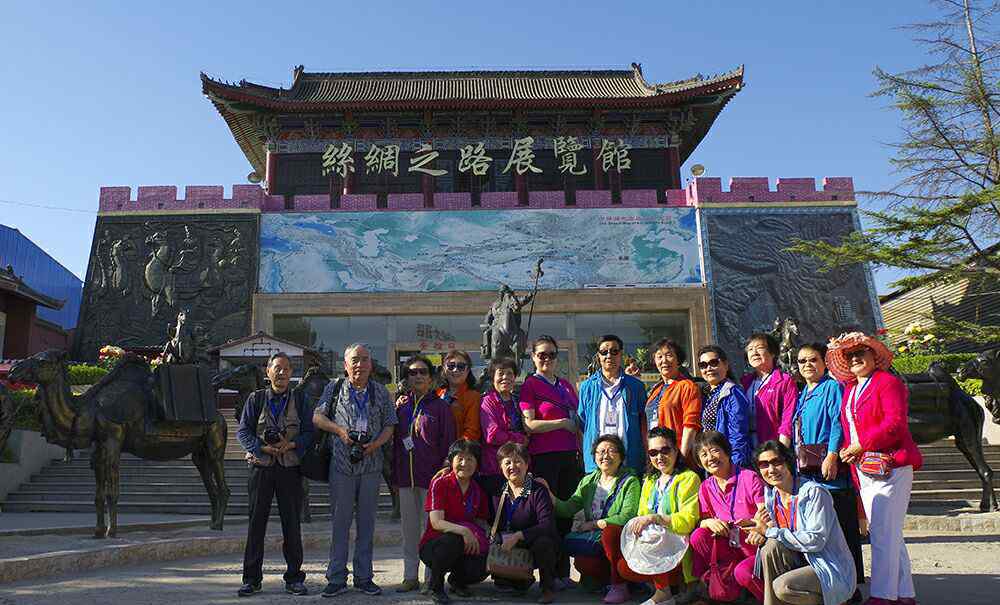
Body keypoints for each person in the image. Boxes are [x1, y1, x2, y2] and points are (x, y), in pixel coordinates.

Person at [827, 332, 923, 605]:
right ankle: (904, 593)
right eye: (850, 355)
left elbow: (895, 424)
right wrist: (849, 449)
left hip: (891, 465)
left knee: (881, 533)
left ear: (874, 356)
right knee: (891, 533)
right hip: (865, 469)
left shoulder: (887, 382)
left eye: (861, 353)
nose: (856, 358)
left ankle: (883, 596)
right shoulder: (849, 390)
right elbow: (850, 429)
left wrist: (861, 445)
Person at [312, 343, 397, 597]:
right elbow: (317, 417)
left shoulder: (381, 392)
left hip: (371, 466)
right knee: (340, 524)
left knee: (367, 524)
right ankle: (336, 577)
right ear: (346, 365)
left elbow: (390, 425)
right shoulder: (334, 388)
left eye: (365, 359)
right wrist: (339, 431)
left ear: (371, 364)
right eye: (355, 360)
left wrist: (375, 445)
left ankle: (364, 577)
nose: (360, 365)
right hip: (341, 465)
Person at [236, 352, 315, 597]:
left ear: (292, 373)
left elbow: (310, 432)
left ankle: (294, 578)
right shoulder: (255, 399)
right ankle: (251, 579)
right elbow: (243, 432)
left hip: (289, 469)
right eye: (277, 368)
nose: (281, 373)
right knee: (255, 524)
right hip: (261, 468)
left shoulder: (300, 399)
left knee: (292, 524)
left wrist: (291, 445)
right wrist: (261, 448)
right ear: (267, 371)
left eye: (286, 369)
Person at [793, 342, 864, 599]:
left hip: (829, 470)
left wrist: (833, 455)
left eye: (813, 360)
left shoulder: (831, 387)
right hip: (809, 471)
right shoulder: (803, 393)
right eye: (802, 361)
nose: (807, 365)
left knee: (843, 532)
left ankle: (852, 586)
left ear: (824, 363)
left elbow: (837, 422)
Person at [748, 440, 857, 605]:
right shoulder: (771, 495)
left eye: (777, 462)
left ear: (789, 462)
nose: (771, 469)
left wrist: (769, 532)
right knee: (769, 547)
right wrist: (759, 533)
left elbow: (816, 541)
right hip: (800, 562)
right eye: (764, 465)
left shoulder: (814, 493)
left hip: (827, 566)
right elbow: (771, 533)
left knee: (783, 586)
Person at [520, 335, 582, 590]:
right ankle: (549, 575)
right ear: (533, 357)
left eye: (551, 354)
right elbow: (529, 424)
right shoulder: (530, 385)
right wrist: (561, 423)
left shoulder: (567, 386)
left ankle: (563, 571)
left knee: (566, 515)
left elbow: (578, 420)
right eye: (541, 354)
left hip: (569, 457)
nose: (546, 359)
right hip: (543, 458)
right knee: (547, 516)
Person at [550, 434, 641, 604]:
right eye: (600, 452)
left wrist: (594, 524)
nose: (605, 456)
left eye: (611, 451)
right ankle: (610, 581)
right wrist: (550, 495)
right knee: (583, 564)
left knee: (610, 532)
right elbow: (568, 508)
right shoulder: (588, 481)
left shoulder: (630, 481)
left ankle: (619, 585)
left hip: (620, 541)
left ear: (621, 456)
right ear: (594, 457)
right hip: (595, 541)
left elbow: (627, 516)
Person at [393, 356, 458, 593]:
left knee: (431, 530)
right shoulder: (400, 407)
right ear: (407, 377)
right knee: (408, 530)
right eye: (412, 372)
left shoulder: (441, 407)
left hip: (432, 479)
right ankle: (410, 576)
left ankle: (432, 577)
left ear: (431, 377)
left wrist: (443, 471)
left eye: (422, 372)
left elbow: (449, 443)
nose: (417, 376)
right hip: (405, 478)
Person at [618, 427, 701, 605]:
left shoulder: (689, 478)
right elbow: (642, 514)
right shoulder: (650, 480)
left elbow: (688, 519)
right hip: (654, 539)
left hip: (678, 540)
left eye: (665, 450)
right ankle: (663, 588)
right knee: (623, 567)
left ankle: (664, 593)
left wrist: (657, 519)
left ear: (676, 450)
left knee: (658, 540)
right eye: (653, 452)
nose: (659, 457)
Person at [685, 430, 764, 603]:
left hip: (752, 545)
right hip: (728, 548)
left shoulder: (749, 477)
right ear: (700, 462)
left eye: (714, 450)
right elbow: (702, 521)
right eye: (703, 454)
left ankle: (766, 597)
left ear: (727, 452)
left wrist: (755, 523)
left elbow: (765, 514)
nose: (710, 457)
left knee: (744, 572)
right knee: (698, 536)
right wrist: (709, 522)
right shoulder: (705, 487)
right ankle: (720, 585)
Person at [419, 439, 491, 604]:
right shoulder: (440, 483)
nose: (465, 463)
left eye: (471, 459)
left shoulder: (477, 490)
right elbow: (437, 523)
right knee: (453, 540)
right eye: (460, 459)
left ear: (477, 463)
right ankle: (436, 587)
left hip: (464, 545)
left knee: (483, 561)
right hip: (435, 544)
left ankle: (458, 581)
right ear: (451, 461)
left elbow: (481, 521)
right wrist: (464, 531)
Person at [492, 442, 560, 604]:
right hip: (507, 545)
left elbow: (547, 525)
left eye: (517, 461)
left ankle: (547, 588)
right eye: (507, 462)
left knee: (545, 543)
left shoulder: (538, 490)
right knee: (513, 587)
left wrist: (518, 536)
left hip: (533, 541)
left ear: (527, 464)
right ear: (500, 467)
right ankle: (515, 579)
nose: (512, 466)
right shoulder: (497, 491)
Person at [578, 334, 648, 476]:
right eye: (604, 352)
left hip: (630, 460)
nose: (609, 355)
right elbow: (582, 423)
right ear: (598, 356)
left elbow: (643, 422)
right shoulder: (586, 387)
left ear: (621, 354)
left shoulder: (636, 386)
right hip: (597, 463)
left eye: (614, 351)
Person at [480, 357, 528, 500]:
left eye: (509, 373)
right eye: (500, 373)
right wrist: (520, 439)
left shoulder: (517, 400)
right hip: (494, 468)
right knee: (498, 515)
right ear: (493, 377)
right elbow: (492, 435)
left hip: (518, 468)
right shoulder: (487, 401)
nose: (505, 377)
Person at [696, 346, 752, 469]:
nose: (709, 368)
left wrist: (734, 466)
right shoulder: (704, 393)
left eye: (714, 363)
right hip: (710, 460)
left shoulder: (732, 392)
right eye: (703, 365)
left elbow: (738, 433)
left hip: (726, 461)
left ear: (726, 365)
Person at [648, 338, 701, 465]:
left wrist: (681, 457)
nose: (664, 361)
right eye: (659, 357)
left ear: (678, 360)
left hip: (677, 457)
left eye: (669, 355)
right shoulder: (655, 390)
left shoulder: (687, 386)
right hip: (657, 457)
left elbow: (691, 425)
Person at [741, 332, 798, 447]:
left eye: (760, 348)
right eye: (750, 349)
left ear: (773, 353)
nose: (754, 353)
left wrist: (782, 450)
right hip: (747, 446)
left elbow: (787, 418)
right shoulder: (744, 382)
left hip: (772, 445)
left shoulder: (784, 381)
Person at [437, 350, 482, 442]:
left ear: (468, 370)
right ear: (444, 369)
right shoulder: (436, 394)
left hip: (459, 452)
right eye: (451, 366)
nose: (455, 370)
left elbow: (471, 432)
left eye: (461, 367)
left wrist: (456, 452)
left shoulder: (473, 397)